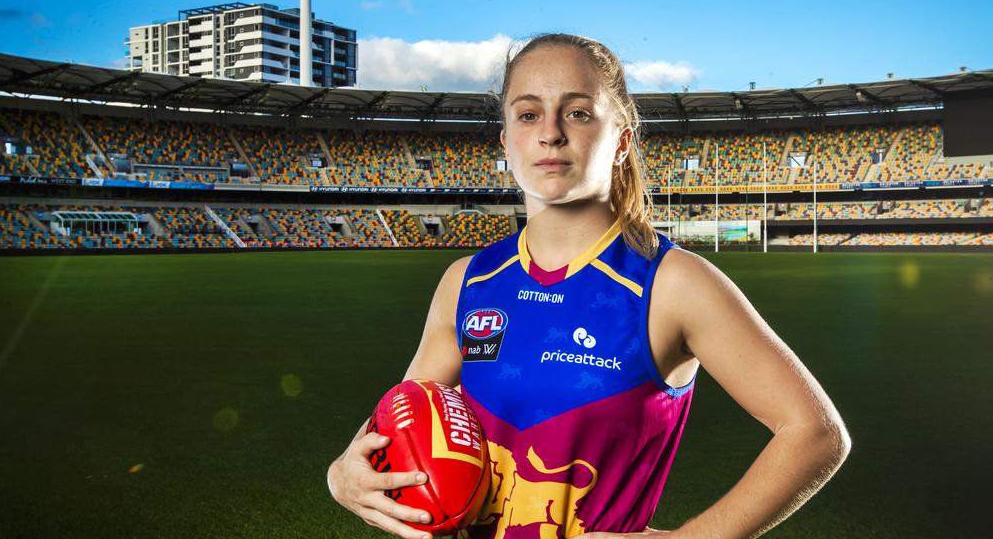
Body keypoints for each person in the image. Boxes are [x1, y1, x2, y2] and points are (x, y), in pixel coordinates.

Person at [327, 34, 850, 539]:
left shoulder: (672, 283)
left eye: (577, 112)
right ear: (506, 141)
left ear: (621, 140)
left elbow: (815, 432)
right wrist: (341, 475)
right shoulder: (467, 282)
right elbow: (397, 418)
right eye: (529, 114)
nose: (550, 133)